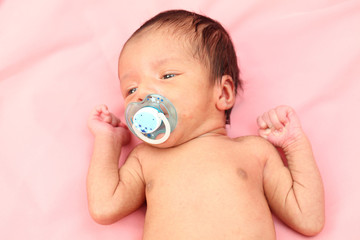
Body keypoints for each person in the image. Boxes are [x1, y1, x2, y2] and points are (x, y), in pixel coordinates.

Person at [87, 10, 324, 239]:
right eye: (131, 89)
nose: (142, 94)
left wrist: (294, 146)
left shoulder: (254, 152)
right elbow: (104, 207)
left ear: (223, 93)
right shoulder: (144, 159)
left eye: (167, 75)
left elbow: (308, 218)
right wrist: (108, 141)